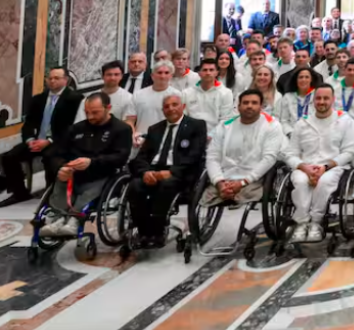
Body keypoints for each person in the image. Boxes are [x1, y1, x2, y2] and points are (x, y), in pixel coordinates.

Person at [37, 93, 132, 237]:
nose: (90, 117)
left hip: (103, 173)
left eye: (95, 112)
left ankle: (75, 219)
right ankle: (59, 218)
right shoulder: (76, 129)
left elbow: (120, 157)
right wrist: (61, 167)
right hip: (74, 173)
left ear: (108, 108)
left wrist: (91, 162)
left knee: (94, 187)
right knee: (60, 178)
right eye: (87, 112)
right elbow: (56, 153)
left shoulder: (121, 129)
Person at [128, 92, 207, 247]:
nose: (170, 109)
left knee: (166, 185)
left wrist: (172, 172)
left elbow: (195, 156)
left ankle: (157, 232)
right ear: (162, 110)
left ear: (183, 107)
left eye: (174, 105)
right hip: (153, 170)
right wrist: (145, 172)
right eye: (166, 106)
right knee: (135, 186)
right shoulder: (155, 129)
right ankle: (143, 231)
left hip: (179, 173)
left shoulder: (196, 126)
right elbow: (142, 156)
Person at [283, 84, 354, 244]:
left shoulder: (344, 121)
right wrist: (305, 168)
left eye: (326, 98)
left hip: (332, 166)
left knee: (324, 181)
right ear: (313, 101)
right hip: (305, 166)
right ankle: (302, 223)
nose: (322, 102)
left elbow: (349, 152)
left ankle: (316, 222)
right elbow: (290, 154)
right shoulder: (302, 123)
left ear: (333, 100)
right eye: (318, 98)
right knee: (300, 181)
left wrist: (325, 167)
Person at [1, 67, 83, 205]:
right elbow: (28, 123)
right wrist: (30, 140)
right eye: (49, 78)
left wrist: (49, 141)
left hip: (59, 142)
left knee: (50, 157)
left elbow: (72, 127)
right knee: (9, 157)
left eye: (56, 78)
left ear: (66, 80)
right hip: (37, 141)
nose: (52, 81)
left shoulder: (75, 99)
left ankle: (51, 195)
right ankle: (20, 192)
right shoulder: (39, 99)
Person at [203, 90, 285, 206]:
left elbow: (269, 159)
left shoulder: (272, 126)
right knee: (206, 198)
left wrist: (242, 182)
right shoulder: (225, 126)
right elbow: (212, 157)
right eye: (245, 103)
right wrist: (219, 182)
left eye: (254, 103)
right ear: (238, 106)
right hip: (225, 178)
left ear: (261, 106)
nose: (249, 106)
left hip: (253, 180)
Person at [76, 61, 137, 129]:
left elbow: (127, 124)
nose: (112, 78)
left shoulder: (129, 98)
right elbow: (80, 121)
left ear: (121, 76)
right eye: (109, 74)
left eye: (116, 74)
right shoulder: (89, 98)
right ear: (103, 76)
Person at [182, 58, 234, 134]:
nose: (208, 73)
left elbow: (226, 119)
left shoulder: (226, 93)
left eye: (211, 70)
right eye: (205, 70)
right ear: (199, 73)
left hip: (216, 136)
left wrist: (212, 135)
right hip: (191, 134)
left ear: (217, 73)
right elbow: (183, 117)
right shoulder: (186, 93)